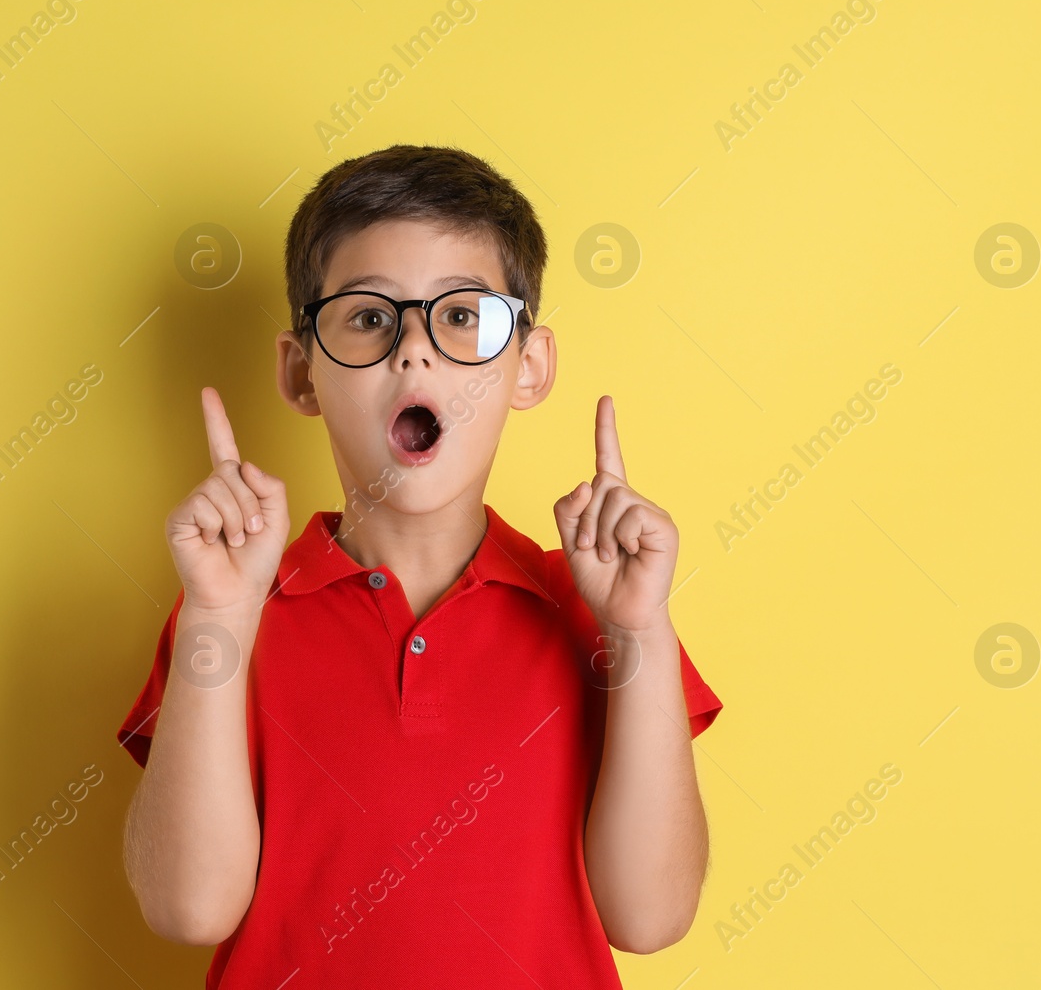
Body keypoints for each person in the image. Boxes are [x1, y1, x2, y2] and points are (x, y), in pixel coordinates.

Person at [115, 143, 723, 987]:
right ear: (300, 371)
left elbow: (652, 916)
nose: (416, 353)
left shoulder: (603, 612)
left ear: (529, 366)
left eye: (463, 316)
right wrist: (217, 617)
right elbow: (186, 907)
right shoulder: (229, 610)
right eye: (369, 317)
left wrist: (638, 630)